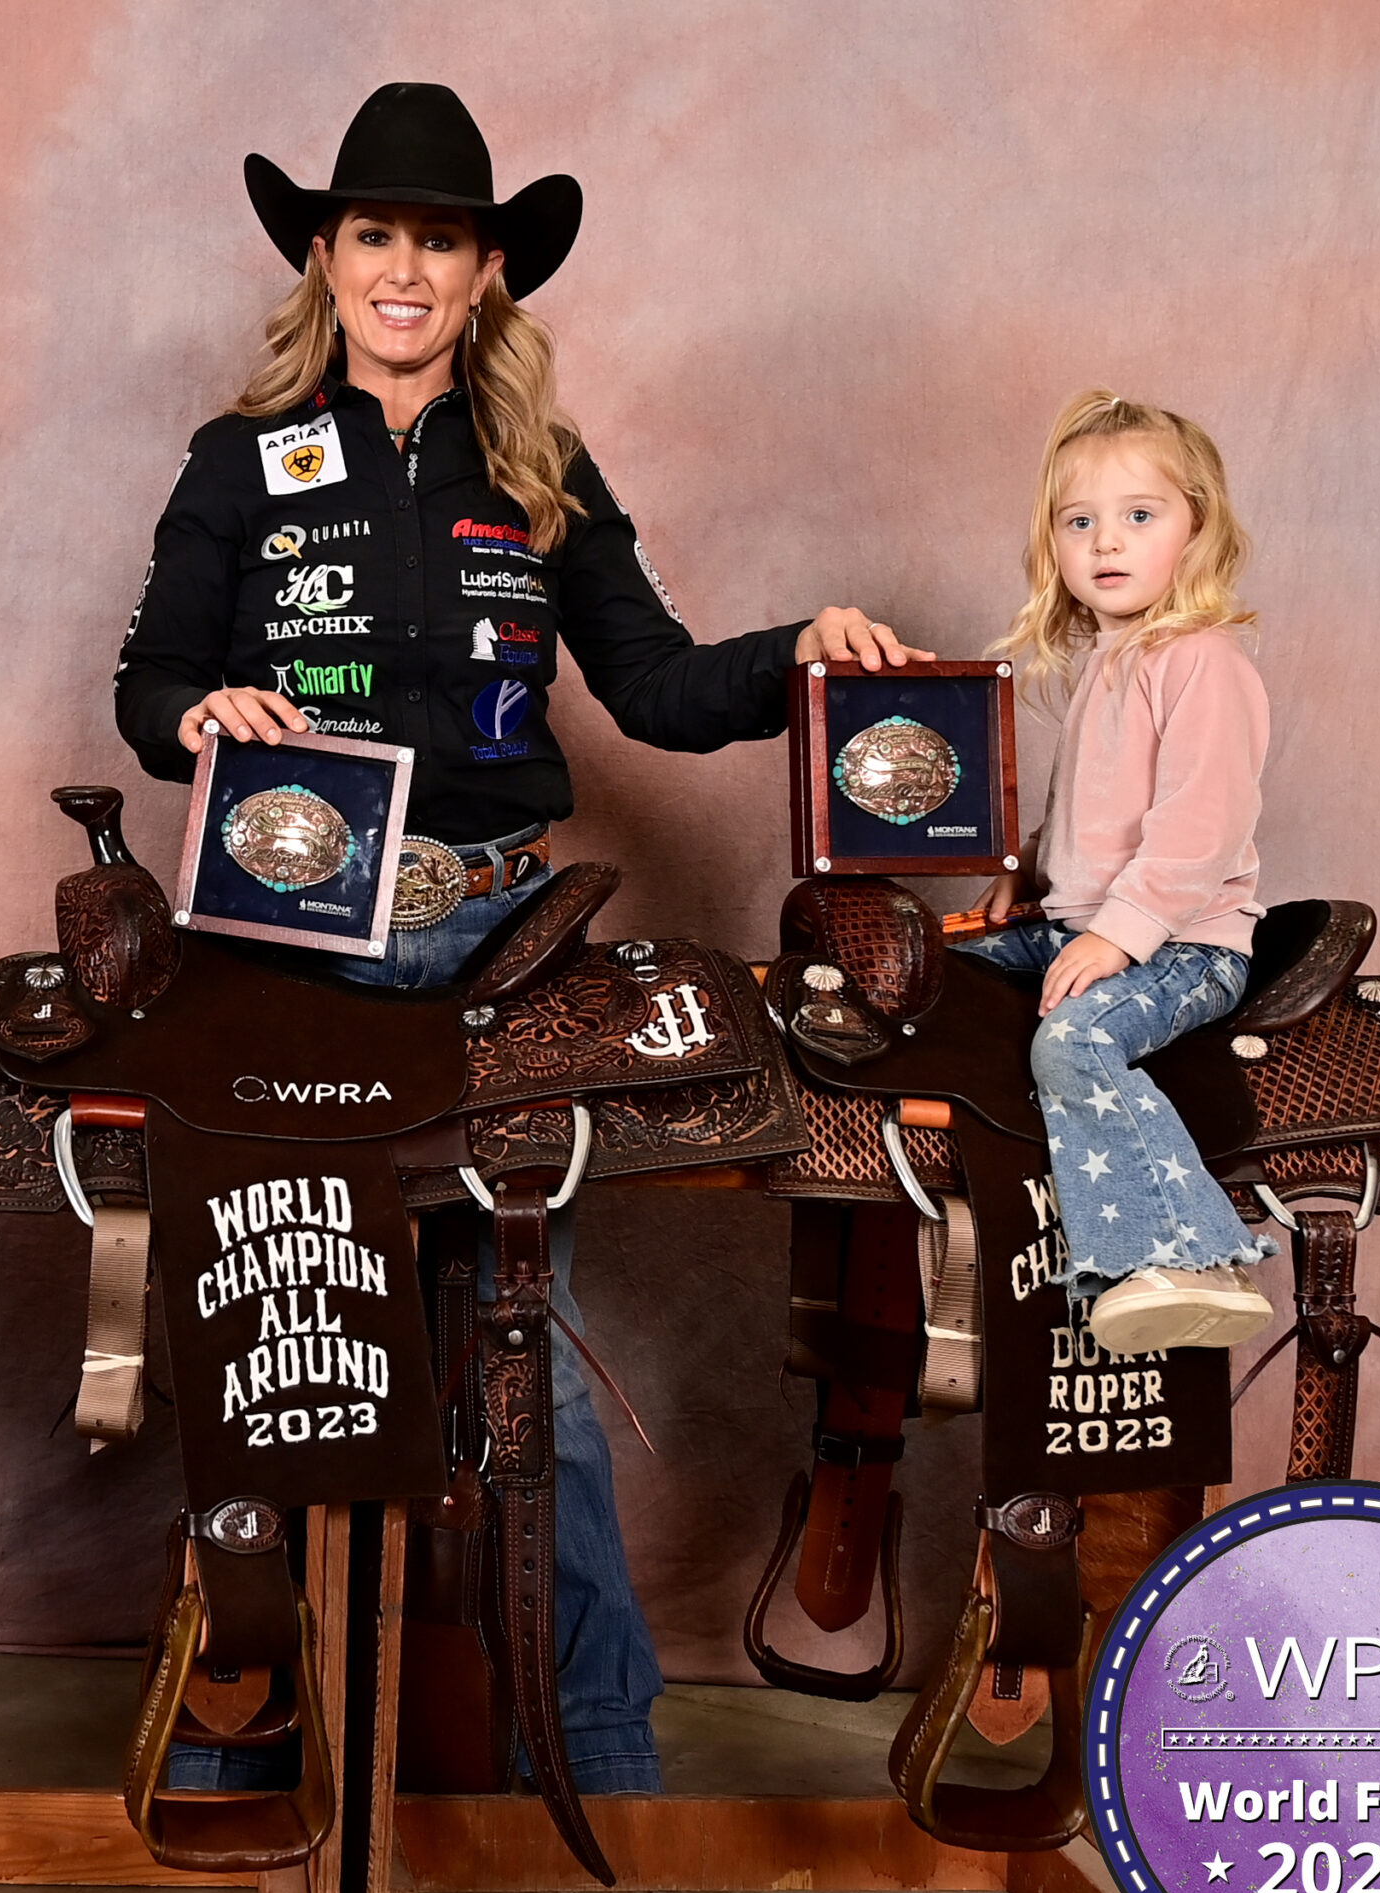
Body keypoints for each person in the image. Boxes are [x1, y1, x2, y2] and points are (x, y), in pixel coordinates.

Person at [113, 83, 927, 1793]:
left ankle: (600, 1757)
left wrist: (802, 652)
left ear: (487, 272)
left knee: (524, 1369)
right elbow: (149, 681)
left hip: (495, 933)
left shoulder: (539, 471)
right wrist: (208, 709)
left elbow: (651, 683)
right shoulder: (241, 462)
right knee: (285, 1334)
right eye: (374, 235)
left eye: (441, 240)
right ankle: (249, 1757)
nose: (405, 268)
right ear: (327, 261)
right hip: (299, 931)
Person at [958, 389, 1278, 1357]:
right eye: (1079, 520)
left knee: (1072, 1046)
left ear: (1196, 526)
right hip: (1090, 920)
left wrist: (1115, 934)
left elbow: (1198, 826)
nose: (1107, 541)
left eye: (1139, 516)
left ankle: (1184, 1251)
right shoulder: (1110, 656)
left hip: (1182, 942)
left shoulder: (1201, 660)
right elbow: (1097, 807)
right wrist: (1027, 869)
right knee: (940, 988)